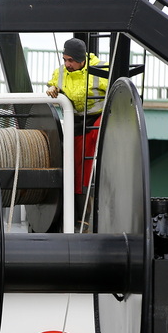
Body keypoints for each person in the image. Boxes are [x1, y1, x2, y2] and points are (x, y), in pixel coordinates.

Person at [46, 38, 108, 229]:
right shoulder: (62, 73)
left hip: (98, 119)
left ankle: (85, 214)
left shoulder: (102, 70)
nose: (67, 64)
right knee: (75, 167)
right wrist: (52, 89)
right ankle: (75, 214)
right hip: (77, 122)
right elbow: (52, 83)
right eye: (65, 59)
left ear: (82, 60)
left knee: (87, 166)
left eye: (71, 60)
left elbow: (119, 91)